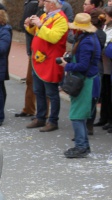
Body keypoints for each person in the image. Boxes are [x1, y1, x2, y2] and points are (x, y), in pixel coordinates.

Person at [58, 13, 101, 158]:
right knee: (80, 115)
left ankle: (81, 146)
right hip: (88, 80)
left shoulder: (86, 41)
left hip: (86, 81)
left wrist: (67, 65)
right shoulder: (88, 38)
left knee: (76, 116)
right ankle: (83, 145)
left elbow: (83, 65)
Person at [25, 0, 68, 132]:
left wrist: (40, 25)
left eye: (47, 1)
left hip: (50, 61)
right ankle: (40, 117)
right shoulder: (45, 16)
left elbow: (53, 37)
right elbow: (37, 32)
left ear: (53, 4)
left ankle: (53, 121)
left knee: (51, 92)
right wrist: (31, 25)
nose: (43, 2)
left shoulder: (61, 19)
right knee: (38, 90)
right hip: (39, 59)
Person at [15, 0, 39, 118]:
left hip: (41, 52)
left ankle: (43, 115)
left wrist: (28, 25)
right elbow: (29, 28)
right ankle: (29, 108)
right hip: (33, 49)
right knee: (30, 81)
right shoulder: (36, 6)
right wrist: (27, 24)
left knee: (42, 84)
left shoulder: (34, 5)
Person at [86, 8, 106, 135]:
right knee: (93, 97)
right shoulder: (102, 34)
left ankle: (86, 124)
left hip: (91, 68)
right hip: (99, 68)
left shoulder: (90, 34)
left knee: (87, 97)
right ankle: (90, 124)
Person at [96, 6, 112, 131]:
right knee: (105, 93)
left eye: (105, 15)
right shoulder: (105, 27)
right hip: (105, 66)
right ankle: (104, 118)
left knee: (110, 94)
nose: (103, 18)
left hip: (109, 65)